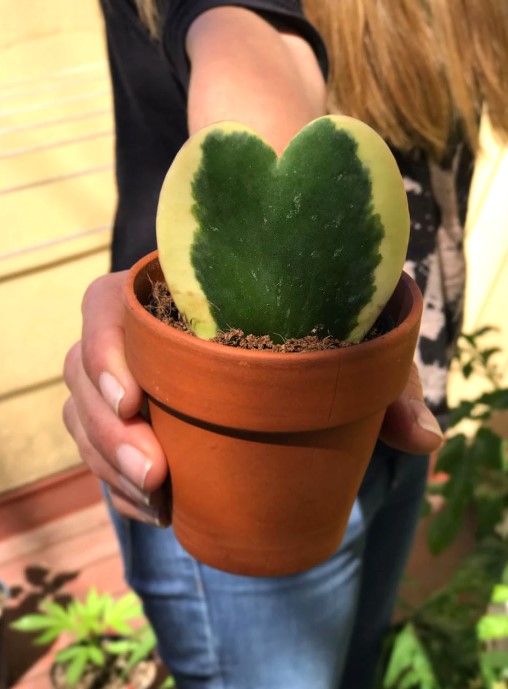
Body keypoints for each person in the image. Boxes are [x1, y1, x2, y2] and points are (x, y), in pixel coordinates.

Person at [62, 1, 508, 688]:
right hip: (223, 456)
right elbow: (250, 45)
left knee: (355, 667)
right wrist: (282, 350)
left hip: (392, 408)